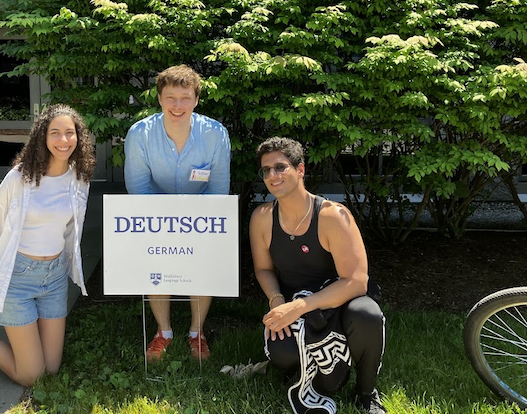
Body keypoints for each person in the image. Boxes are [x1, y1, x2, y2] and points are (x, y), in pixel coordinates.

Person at [0, 104, 96, 386]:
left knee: (50, 371)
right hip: (18, 276)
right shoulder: (20, 177)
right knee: (32, 376)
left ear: (79, 138)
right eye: (55, 133)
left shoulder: (80, 178)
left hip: (54, 277)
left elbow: (69, 229)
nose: (63, 140)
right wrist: (1, 267)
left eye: (70, 133)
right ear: (43, 137)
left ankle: (24, 346)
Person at [249, 137, 386, 414]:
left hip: (340, 301)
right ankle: (313, 369)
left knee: (367, 315)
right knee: (281, 354)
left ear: (300, 170)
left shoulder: (332, 216)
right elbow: (263, 269)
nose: (272, 176)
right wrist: (277, 301)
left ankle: (366, 391)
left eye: (280, 167)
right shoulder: (261, 217)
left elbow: (356, 281)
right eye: (266, 170)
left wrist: (301, 305)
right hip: (294, 303)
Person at [124, 64, 231, 362]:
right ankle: (164, 332)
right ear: (159, 98)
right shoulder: (140, 134)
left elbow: (218, 189)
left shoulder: (216, 134)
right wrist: (164, 224)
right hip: (154, 215)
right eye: (171, 97)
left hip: (201, 217)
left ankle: (197, 333)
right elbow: (138, 188)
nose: (178, 105)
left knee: (203, 269)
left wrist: (194, 226)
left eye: (185, 97)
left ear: (196, 100)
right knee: (156, 270)